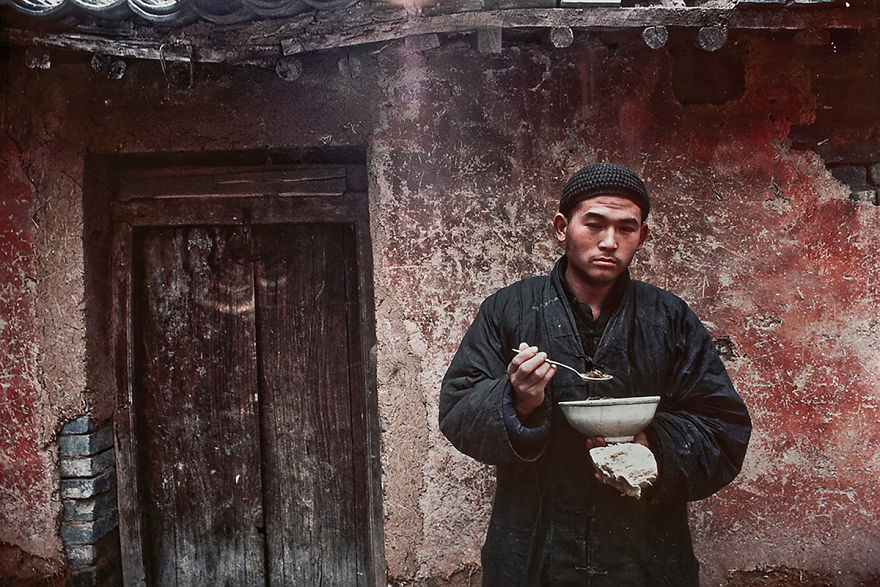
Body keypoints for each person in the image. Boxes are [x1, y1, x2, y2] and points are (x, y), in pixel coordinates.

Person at [439, 162, 751, 586]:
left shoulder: (669, 317)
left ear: (642, 235)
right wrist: (517, 400)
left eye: (626, 228)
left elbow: (723, 425)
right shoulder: (508, 309)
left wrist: (652, 447)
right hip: (535, 546)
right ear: (561, 226)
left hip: (645, 551)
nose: (610, 242)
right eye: (595, 224)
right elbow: (458, 407)